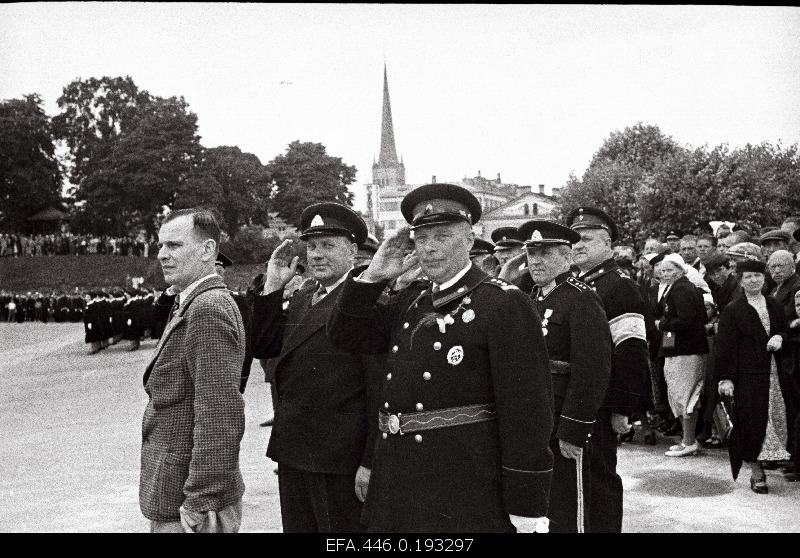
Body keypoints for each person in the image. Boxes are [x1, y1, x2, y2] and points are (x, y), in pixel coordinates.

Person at [327, 183, 554, 533]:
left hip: (461, 486)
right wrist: (372, 276)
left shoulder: (502, 304)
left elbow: (527, 411)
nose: (430, 248)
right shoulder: (412, 301)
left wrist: (526, 504)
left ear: (469, 239)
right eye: (422, 237)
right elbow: (345, 335)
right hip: (398, 483)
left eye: (443, 236)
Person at [251, 202, 379, 533]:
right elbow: (265, 348)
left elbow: (378, 389)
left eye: (328, 246)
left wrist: (370, 460)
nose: (317, 255)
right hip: (295, 450)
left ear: (353, 251)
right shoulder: (303, 296)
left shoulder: (365, 300)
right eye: (311, 246)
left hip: (340, 459)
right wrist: (272, 288)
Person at [140, 208, 246, 532]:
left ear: (207, 251)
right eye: (160, 246)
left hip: (189, 504)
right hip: (175, 492)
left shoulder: (207, 309)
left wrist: (201, 500)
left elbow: (219, 416)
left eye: (174, 246)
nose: (162, 255)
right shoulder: (189, 302)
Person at [518, 219, 612, 533]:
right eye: (532, 254)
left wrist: (574, 428)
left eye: (545, 253)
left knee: (569, 502)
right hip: (535, 416)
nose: (536, 261)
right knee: (543, 500)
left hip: (562, 418)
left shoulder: (580, 298)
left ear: (567, 257)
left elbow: (592, 369)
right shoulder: (531, 298)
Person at [566, 206, 650, 533]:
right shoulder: (576, 284)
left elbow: (631, 352)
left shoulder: (619, 286)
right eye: (574, 239)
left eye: (587, 239)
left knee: (599, 481)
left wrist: (622, 408)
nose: (578, 245)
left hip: (602, 405)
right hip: (579, 402)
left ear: (608, 246)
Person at [715, 259, 790, 494]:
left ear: (764, 278)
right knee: (750, 422)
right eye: (748, 277)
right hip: (747, 375)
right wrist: (725, 378)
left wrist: (780, 337)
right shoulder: (733, 309)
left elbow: (783, 330)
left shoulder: (773, 304)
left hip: (775, 373)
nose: (753, 280)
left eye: (757, 276)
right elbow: (725, 347)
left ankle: (773, 458)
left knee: (776, 417)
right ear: (741, 281)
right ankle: (756, 472)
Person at [652, 253, 709, 457]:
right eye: (663, 270)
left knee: (687, 396)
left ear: (680, 270)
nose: (664, 274)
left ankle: (689, 441)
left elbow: (688, 319)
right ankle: (687, 440)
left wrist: (662, 324)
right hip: (680, 349)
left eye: (669, 270)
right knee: (681, 394)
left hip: (686, 349)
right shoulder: (676, 287)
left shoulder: (682, 288)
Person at [214, 252, 255, 394]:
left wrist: (242, 379)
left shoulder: (237, 300)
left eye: (219, 272)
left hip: (228, 374)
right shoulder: (189, 300)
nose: (216, 276)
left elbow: (246, 342)